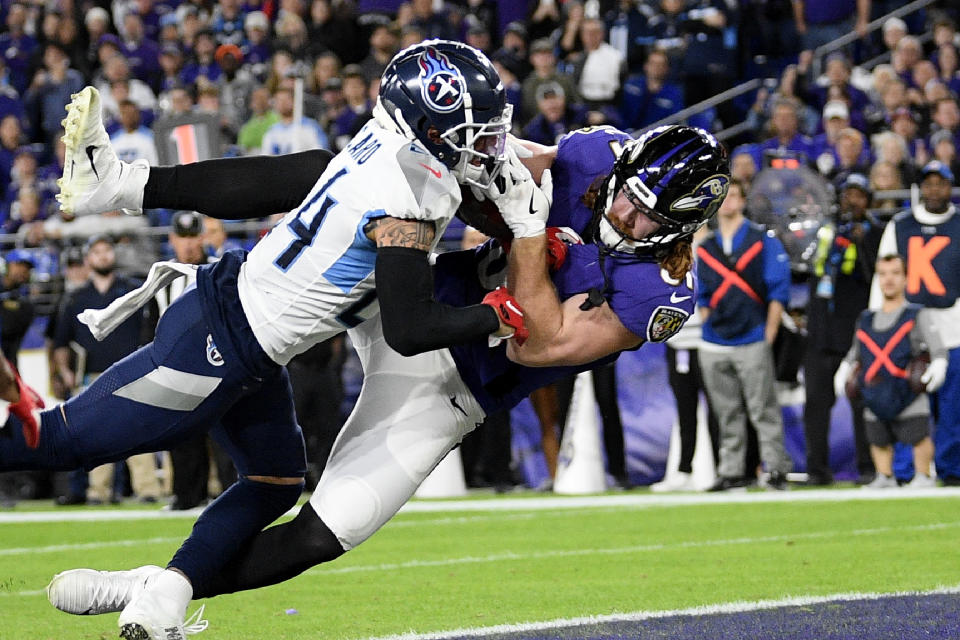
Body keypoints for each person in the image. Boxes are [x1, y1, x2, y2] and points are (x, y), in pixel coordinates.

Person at [42, 122, 730, 638]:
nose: (624, 217)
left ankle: (164, 585)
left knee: (320, 535)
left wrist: (525, 233)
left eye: (647, 218)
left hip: (456, 384)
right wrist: (484, 163)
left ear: (681, 227)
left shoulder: (660, 294)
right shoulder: (595, 155)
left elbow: (539, 344)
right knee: (340, 171)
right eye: (627, 198)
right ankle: (134, 186)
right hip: (416, 301)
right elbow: (499, 166)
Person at [6, 40, 523, 638]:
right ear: (430, 128)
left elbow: (294, 178)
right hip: (217, 343)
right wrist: (496, 315)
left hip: (248, 340)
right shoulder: (410, 195)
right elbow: (411, 330)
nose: (489, 147)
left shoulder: (384, 146)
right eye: (474, 132)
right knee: (54, 441)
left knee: (275, 482)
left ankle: (164, 595)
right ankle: (120, 183)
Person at [697, 179, 793, 491]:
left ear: (742, 200)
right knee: (726, 412)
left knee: (762, 408)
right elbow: (698, 289)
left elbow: (778, 288)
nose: (727, 202)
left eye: (733, 195)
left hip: (751, 334)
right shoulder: (705, 246)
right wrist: (704, 311)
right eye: (721, 197)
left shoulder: (759, 239)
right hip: (714, 339)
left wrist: (770, 331)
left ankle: (775, 468)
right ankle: (731, 470)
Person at [873, 161, 960, 485]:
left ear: (950, 186)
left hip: (953, 326)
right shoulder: (900, 224)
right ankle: (907, 472)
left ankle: (951, 471)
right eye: (929, 183)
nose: (934, 189)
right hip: (906, 332)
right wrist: (879, 323)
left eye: (941, 183)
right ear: (920, 187)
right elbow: (883, 276)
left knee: (953, 408)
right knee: (907, 405)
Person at [835, 254, 947, 488]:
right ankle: (884, 476)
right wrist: (844, 369)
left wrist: (939, 363)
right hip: (875, 392)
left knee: (917, 434)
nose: (889, 280)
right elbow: (855, 352)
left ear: (906, 278)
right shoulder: (865, 319)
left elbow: (938, 350)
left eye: (895, 273)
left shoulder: (917, 314)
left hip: (908, 392)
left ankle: (923, 476)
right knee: (877, 436)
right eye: (883, 274)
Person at [803, 174, 883, 485]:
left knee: (862, 400)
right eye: (848, 194)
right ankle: (817, 470)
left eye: (860, 195)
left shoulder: (876, 233)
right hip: (821, 332)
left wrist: (863, 244)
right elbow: (805, 266)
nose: (853, 201)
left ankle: (869, 467)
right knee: (816, 404)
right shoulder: (823, 230)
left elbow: (877, 277)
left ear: (869, 201)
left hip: (856, 332)